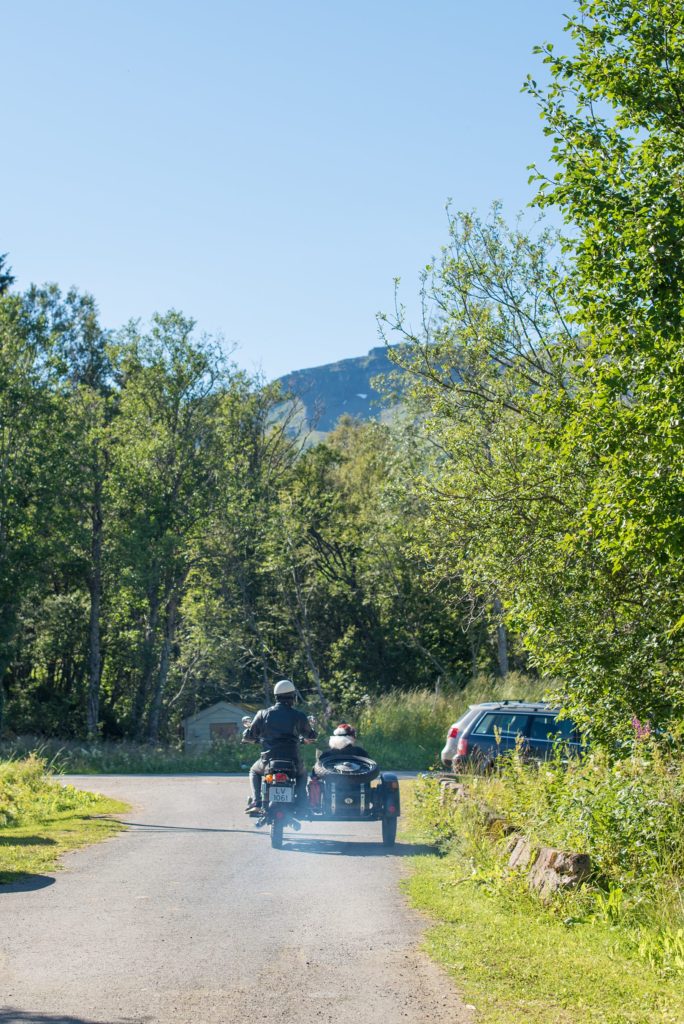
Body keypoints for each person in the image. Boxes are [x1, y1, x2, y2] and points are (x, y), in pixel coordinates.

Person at [243, 679, 317, 813]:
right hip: (292, 761)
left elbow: (249, 736)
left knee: (254, 771)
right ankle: (301, 803)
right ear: (293, 697)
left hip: (268, 761)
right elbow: (311, 735)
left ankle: (257, 801)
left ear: (276, 696)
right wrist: (309, 736)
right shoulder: (298, 715)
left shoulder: (263, 713)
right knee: (302, 773)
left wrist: (251, 737)